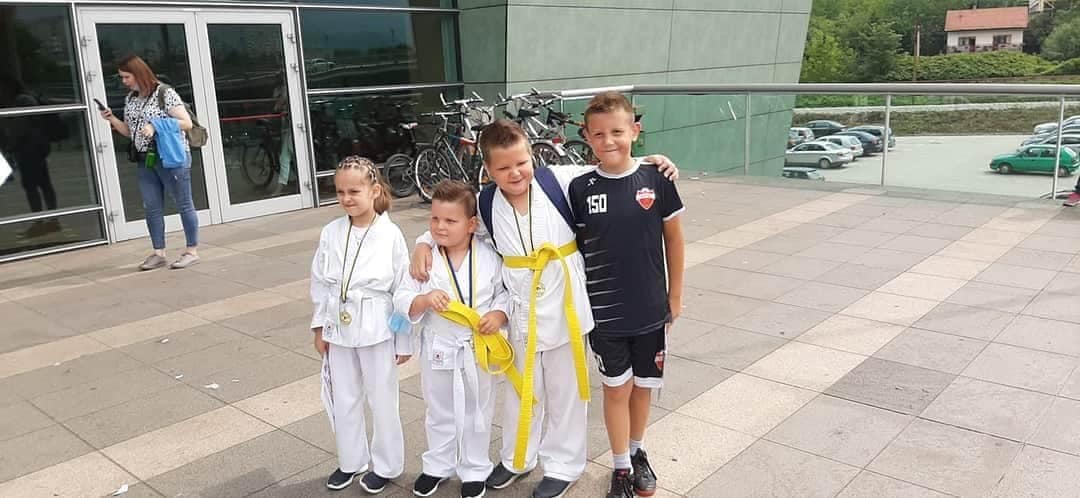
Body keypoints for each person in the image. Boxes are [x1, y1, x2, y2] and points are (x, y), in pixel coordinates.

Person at [410, 119, 678, 498]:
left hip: (564, 302)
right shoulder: (485, 203)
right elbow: (454, 223)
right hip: (520, 307)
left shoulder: (560, 181)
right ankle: (517, 458)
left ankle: (564, 464)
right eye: (503, 168)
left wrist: (651, 163)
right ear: (488, 170)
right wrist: (423, 242)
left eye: (522, 162)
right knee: (521, 388)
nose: (515, 173)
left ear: (531, 156)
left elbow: (612, 170)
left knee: (565, 389)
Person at [567, 92, 685, 498]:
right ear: (586, 137)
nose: (608, 141)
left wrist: (675, 296)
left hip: (650, 309)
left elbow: (674, 240)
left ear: (635, 130)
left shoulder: (657, 179)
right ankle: (619, 467)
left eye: (617, 131)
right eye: (598, 134)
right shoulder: (579, 187)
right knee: (616, 389)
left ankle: (637, 453)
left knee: (643, 385)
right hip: (604, 314)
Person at [393, 180, 510, 498]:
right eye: (434, 219)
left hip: (477, 347)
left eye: (450, 220)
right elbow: (402, 298)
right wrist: (424, 299)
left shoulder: (489, 256)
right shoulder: (425, 260)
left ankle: (475, 467)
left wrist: (498, 315)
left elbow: (504, 293)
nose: (440, 227)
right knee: (438, 408)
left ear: (471, 224)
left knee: (478, 410)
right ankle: (438, 465)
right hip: (438, 346)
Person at [311, 156, 412, 494]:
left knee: (382, 400)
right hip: (339, 327)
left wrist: (403, 339)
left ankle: (387, 464)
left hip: (377, 327)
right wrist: (319, 327)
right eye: (340, 192)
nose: (346, 198)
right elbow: (320, 283)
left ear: (374, 191)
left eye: (354, 191)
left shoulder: (390, 234)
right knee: (344, 398)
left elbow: (402, 288)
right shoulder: (331, 232)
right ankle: (351, 460)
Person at [99, 54, 200, 270]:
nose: (124, 81)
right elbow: (130, 131)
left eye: (127, 77)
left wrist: (156, 126)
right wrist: (112, 119)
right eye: (122, 77)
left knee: (183, 203)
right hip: (145, 159)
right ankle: (158, 253)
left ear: (139, 74)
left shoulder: (164, 93)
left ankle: (191, 251)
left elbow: (186, 123)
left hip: (170, 157)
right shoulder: (131, 99)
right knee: (151, 206)